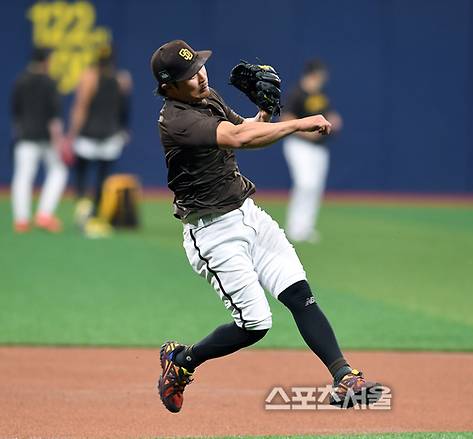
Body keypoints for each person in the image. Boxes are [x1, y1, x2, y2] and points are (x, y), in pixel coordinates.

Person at [151, 40, 379, 413]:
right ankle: (183, 362)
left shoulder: (207, 98)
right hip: (212, 234)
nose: (200, 77)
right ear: (168, 86)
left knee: (299, 293)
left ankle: (344, 377)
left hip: (248, 214)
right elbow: (237, 138)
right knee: (255, 323)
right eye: (189, 76)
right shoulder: (176, 119)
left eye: (200, 68)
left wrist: (264, 113)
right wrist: (299, 122)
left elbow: (246, 132)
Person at [64, 43, 132, 234]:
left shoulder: (88, 77)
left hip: (88, 136)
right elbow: (124, 110)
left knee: (82, 176)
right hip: (110, 136)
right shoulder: (122, 79)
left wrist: (71, 134)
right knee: (103, 178)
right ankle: (96, 215)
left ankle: (85, 212)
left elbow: (80, 108)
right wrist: (123, 130)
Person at [281, 59, 342, 243]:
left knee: (315, 187)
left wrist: (334, 120)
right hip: (299, 146)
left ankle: (305, 227)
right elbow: (285, 119)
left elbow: (328, 114)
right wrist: (308, 134)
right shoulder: (297, 93)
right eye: (321, 74)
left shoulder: (320, 94)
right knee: (305, 184)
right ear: (314, 74)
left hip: (320, 148)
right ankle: (294, 227)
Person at [10, 48, 68, 233]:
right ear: (45, 61)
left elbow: (16, 112)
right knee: (59, 171)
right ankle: (44, 215)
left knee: (23, 176)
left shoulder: (20, 80)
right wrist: (59, 141)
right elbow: (54, 118)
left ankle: (21, 220)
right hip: (45, 137)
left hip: (24, 136)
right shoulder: (49, 83)